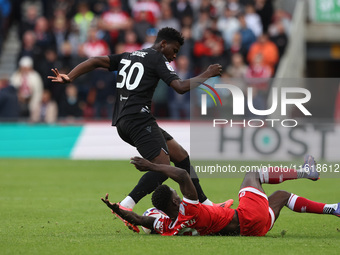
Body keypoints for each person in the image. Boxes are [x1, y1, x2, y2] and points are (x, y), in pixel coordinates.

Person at [48, 27, 223, 233]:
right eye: (174, 50)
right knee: (163, 166)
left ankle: (205, 204)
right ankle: (126, 205)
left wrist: (71, 76)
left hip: (126, 120)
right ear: (163, 44)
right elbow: (180, 87)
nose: (174, 55)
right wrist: (208, 74)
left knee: (180, 155)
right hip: (138, 119)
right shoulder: (157, 59)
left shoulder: (129, 55)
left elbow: (95, 60)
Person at [102, 155, 340, 236]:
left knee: (281, 197)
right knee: (252, 174)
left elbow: (140, 220)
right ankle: (305, 171)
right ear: (175, 201)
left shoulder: (167, 225)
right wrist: (151, 166)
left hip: (254, 230)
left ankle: (334, 208)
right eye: (176, 194)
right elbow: (183, 174)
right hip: (247, 216)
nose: (179, 194)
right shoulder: (189, 208)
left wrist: (117, 208)